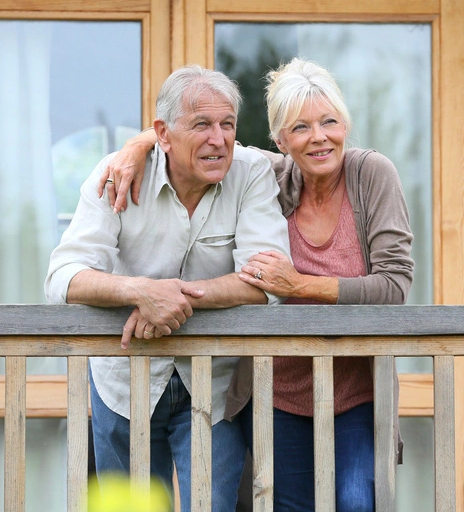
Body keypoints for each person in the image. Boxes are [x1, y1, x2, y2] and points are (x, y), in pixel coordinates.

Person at [103, 57, 414, 512]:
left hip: (354, 392)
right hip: (275, 392)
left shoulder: (372, 175)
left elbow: (394, 286)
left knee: (356, 500)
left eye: (329, 122)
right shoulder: (266, 175)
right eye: (301, 128)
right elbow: (200, 140)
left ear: (345, 124)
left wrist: (300, 285)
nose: (319, 137)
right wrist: (137, 146)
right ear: (281, 140)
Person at [44, 64, 290, 512]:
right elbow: (63, 276)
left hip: (215, 386)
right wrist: (139, 291)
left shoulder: (252, 172)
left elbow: (269, 282)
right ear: (163, 133)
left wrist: (174, 298)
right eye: (201, 124)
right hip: (122, 380)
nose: (219, 139)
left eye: (227, 124)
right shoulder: (114, 173)